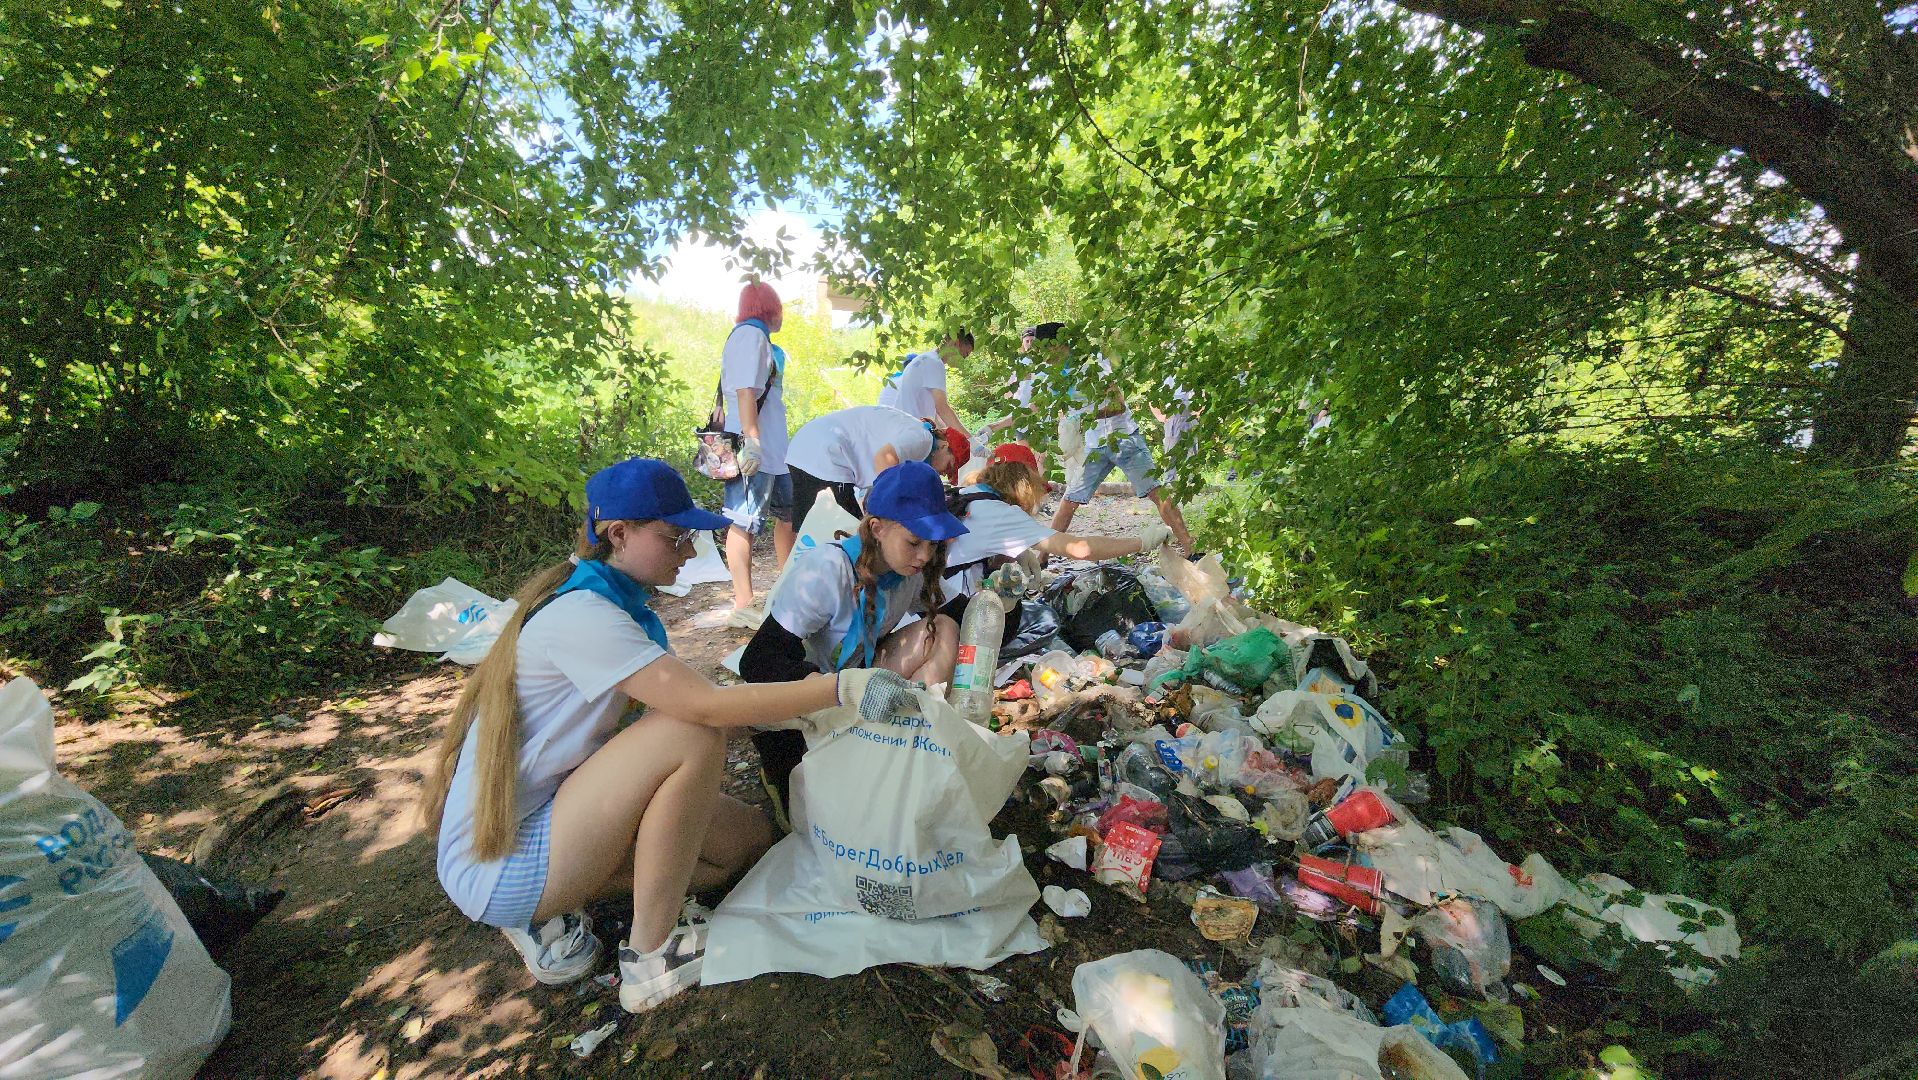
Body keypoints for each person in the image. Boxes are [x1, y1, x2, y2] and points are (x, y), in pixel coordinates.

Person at [421, 458, 914, 1012]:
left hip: (550, 809)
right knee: (691, 731)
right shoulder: (583, 615)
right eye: (675, 537)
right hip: (501, 858)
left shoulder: (617, 606)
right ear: (619, 535)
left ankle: (554, 907)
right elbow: (703, 709)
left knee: (743, 846)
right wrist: (839, 690)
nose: (688, 552)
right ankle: (650, 958)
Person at [738, 460, 968, 827]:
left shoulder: (907, 570)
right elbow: (758, 661)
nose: (925, 555)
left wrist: (1003, 602)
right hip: (804, 698)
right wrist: (840, 689)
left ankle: (914, 745)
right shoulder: (827, 571)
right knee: (818, 823)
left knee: (940, 627)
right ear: (876, 528)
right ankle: (790, 765)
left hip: (857, 683)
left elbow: (961, 612)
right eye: (914, 542)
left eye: (933, 543)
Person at [1025, 323, 1198, 555]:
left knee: (1156, 493)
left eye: (1043, 349)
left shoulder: (1090, 364)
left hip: (1123, 439)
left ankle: (1191, 548)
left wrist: (1084, 417)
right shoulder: (1051, 374)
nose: (1039, 355)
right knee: (1069, 501)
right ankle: (1043, 557)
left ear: (1058, 345)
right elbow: (1036, 407)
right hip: (1093, 447)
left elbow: (1118, 404)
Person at [940, 442, 1173, 610]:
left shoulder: (967, 493)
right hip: (951, 607)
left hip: (928, 597)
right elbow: (1080, 549)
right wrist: (1140, 542)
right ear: (1023, 482)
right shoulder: (1001, 513)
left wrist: (1018, 553)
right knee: (1017, 616)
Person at [719, 282, 796, 629]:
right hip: (756, 450)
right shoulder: (750, 336)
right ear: (770, 309)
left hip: (774, 451)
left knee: (788, 515)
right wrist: (752, 442)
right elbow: (745, 392)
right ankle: (743, 603)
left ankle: (787, 584)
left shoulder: (757, 338)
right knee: (743, 520)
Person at [785, 405, 966, 532]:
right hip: (825, 454)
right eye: (949, 467)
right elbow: (884, 460)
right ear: (944, 446)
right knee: (845, 537)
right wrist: (893, 508)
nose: (943, 473)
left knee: (812, 531)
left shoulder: (917, 434)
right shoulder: (923, 439)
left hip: (807, 448)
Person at [877, 330, 975, 447]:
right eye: (965, 354)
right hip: (910, 437)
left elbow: (935, 416)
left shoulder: (926, 359)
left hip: (906, 433)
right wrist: (971, 441)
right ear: (956, 343)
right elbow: (942, 408)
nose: (964, 359)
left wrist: (952, 436)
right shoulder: (933, 363)